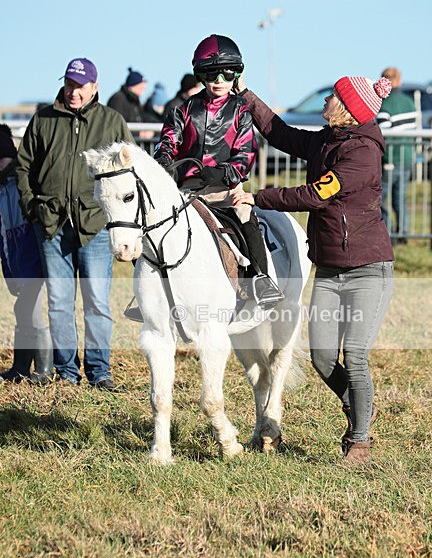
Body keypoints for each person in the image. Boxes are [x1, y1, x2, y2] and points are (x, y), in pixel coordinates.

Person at [231, 74, 394, 465]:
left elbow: (316, 194)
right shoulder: (327, 139)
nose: (326, 99)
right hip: (330, 269)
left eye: (333, 96)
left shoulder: (363, 153)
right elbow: (282, 134)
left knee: (354, 356)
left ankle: (359, 441)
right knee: (322, 357)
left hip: (368, 269)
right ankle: (361, 406)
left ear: (349, 109)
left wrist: (259, 198)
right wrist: (245, 95)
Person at [16, 57, 133, 390]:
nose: (73, 92)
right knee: (59, 303)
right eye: (69, 85)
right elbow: (24, 166)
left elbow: (129, 170)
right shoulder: (43, 120)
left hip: (94, 226)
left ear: (95, 87)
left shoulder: (112, 122)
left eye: (81, 87)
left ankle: (99, 372)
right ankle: (67, 373)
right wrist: (32, 207)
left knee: (97, 302)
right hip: (51, 225)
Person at [154, 34, 283, 307]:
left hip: (225, 189)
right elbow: (168, 141)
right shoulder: (183, 110)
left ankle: (260, 278)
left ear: (236, 75)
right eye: (213, 74)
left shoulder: (241, 111)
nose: (220, 80)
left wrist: (224, 173)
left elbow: (246, 153)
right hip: (187, 191)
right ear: (201, 75)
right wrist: (164, 159)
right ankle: (152, 292)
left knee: (244, 212)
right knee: (156, 225)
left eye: (228, 73)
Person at [0, 125, 53, 384]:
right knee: (22, 309)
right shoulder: (2, 189)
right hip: (19, 260)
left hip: (34, 258)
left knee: (30, 309)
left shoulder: (20, 185)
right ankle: (20, 368)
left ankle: (44, 370)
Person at [376, 66, 416, 243]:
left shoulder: (385, 105)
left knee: (382, 199)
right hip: (407, 157)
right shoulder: (410, 103)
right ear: (399, 80)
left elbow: (383, 134)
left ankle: (389, 232)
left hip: (390, 159)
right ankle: (403, 233)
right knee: (400, 198)